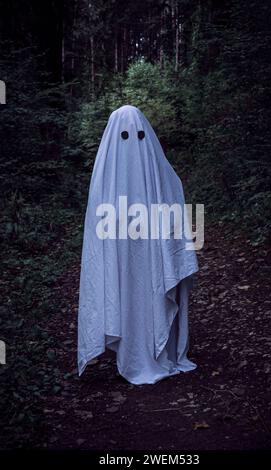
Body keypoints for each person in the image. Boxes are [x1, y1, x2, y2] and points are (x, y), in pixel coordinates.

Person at [77, 105, 198, 385]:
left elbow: (175, 205)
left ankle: (156, 350)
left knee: (151, 292)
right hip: (119, 253)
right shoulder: (106, 176)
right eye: (124, 135)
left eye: (140, 135)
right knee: (126, 293)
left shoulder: (160, 175)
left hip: (152, 256)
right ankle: (131, 352)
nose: (133, 143)